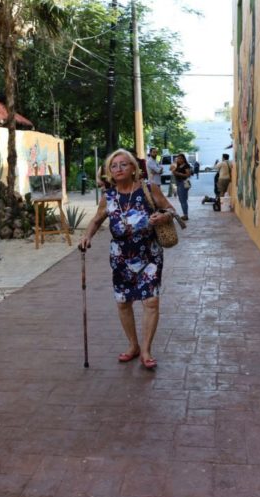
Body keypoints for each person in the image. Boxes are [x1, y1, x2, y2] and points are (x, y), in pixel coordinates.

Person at [79, 148, 176, 369]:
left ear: (133, 168)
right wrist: (87, 237)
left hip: (149, 254)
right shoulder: (109, 196)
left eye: (124, 164)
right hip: (121, 256)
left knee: (150, 301)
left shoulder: (149, 189)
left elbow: (171, 210)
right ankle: (132, 345)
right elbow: (96, 220)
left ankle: (146, 349)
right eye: (114, 166)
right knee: (124, 302)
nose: (119, 169)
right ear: (109, 172)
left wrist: (163, 216)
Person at [172, 153, 192, 220]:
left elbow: (188, 174)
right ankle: (185, 214)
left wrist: (178, 173)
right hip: (179, 183)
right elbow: (172, 170)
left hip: (183, 182)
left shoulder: (186, 165)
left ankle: (185, 215)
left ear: (184, 159)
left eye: (181, 158)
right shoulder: (178, 165)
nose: (179, 159)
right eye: (178, 158)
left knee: (183, 200)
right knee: (182, 199)